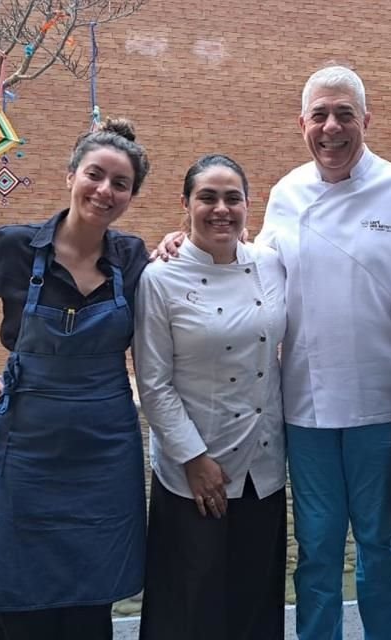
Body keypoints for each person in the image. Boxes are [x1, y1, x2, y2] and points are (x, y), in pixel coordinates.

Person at [154, 65, 391, 640]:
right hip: (303, 409)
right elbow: (245, 258)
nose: (332, 128)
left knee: (382, 549)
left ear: (366, 121)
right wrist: (181, 242)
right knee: (318, 553)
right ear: (302, 123)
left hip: (387, 408)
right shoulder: (285, 194)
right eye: (320, 115)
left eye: (344, 114)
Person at [0, 118, 151, 640]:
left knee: (91, 595)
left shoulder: (132, 256)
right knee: (19, 586)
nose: (105, 191)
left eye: (120, 184)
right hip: (26, 445)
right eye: (95, 175)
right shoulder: (11, 246)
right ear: (71, 174)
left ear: (130, 196)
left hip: (105, 446)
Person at [133, 155, 287, 640]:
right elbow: (153, 383)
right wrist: (193, 458)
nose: (221, 209)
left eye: (232, 198)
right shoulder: (160, 278)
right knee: (190, 602)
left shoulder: (270, 263)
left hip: (264, 463)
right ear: (185, 205)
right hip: (194, 468)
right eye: (207, 198)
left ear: (248, 205)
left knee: (255, 600)